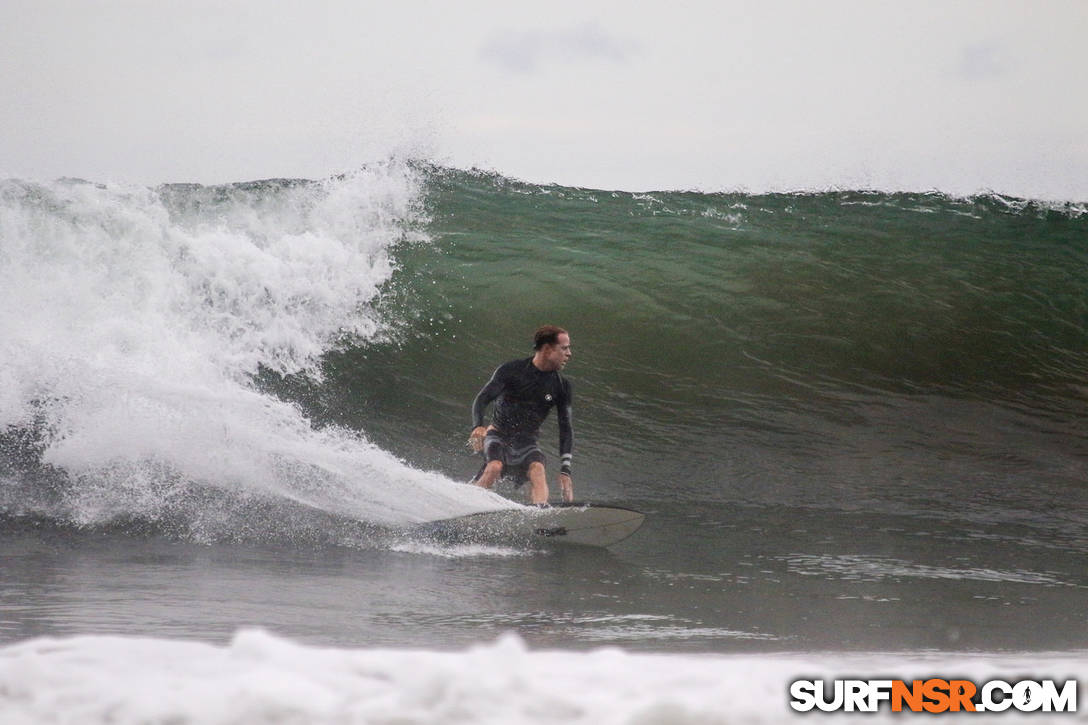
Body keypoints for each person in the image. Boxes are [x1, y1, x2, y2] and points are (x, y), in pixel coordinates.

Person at [469, 325, 574, 504]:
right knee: (494, 467)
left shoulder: (561, 386)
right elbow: (482, 399)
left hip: (527, 442)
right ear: (547, 349)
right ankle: (468, 503)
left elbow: (566, 428)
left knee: (537, 470)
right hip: (498, 435)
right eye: (564, 348)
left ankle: (539, 516)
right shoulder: (511, 370)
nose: (569, 353)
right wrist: (478, 425)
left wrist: (565, 470)